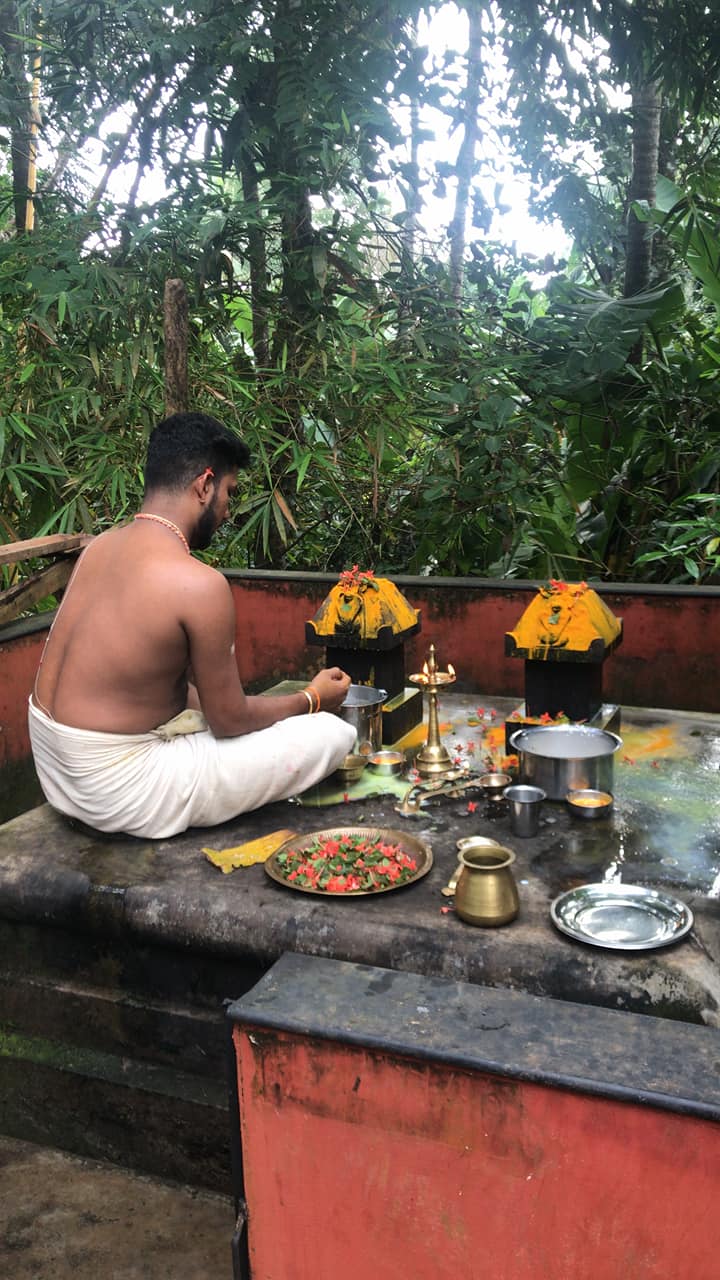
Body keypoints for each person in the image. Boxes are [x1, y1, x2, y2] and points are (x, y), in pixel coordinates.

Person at [28, 411, 356, 838]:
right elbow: (230, 721)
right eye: (228, 493)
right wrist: (311, 698)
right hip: (116, 789)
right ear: (204, 485)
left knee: (204, 712)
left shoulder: (99, 549)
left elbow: (160, 684)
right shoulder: (199, 584)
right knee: (330, 734)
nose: (226, 511)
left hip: (54, 767)